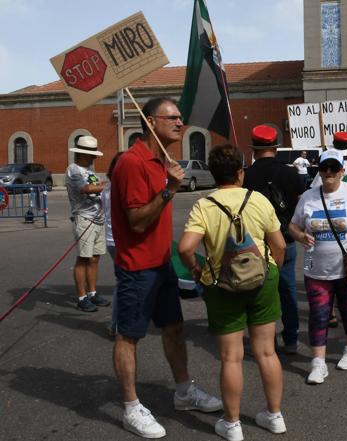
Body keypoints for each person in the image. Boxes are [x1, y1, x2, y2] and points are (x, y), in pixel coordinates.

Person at [111, 97, 221, 439]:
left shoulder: (163, 160)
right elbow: (137, 221)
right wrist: (171, 189)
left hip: (161, 266)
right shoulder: (132, 162)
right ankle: (131, 407)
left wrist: (168, 182)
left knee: (174, 328)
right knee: (128, 336)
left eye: (180, 117)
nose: (180, 123)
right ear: (150, 121)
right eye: (171, 117)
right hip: (136, 268)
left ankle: (184, 392)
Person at [179, 143, 287, 440]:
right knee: (266, 351)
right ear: (241, 172)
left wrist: (196, 270)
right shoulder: (259, 200)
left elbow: (185, 248)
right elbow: (279, 245)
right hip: (262, 280)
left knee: (231, 358)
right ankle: (275, 416)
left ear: (213, 174)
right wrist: (272, 272)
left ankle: (233, 423)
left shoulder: (205, 205)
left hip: (221, 284)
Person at [289, 149, 347, 384]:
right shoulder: (309, 197)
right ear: (319, 171)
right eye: (324, 168)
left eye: (333, 168)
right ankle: (318, 363)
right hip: (316, 269)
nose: (328, 173)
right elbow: (293, 225)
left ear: (342, 171)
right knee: (319, 315)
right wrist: (300, 236)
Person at [244, 124, 305, 354]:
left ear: (254, 148)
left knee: (256, 290)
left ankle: (261, 339)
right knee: (287, 290)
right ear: (276, 148)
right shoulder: (290, 172)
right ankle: (291, 338)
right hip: (285, 238)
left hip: (255, 242)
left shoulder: (246, 175)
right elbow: (301, 203)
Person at [65, 135, 110, 312]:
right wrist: (111, 184)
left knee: (94, 258)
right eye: (92, 154)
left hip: (98, 219)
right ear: (82, 154)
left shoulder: (90, 171)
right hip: (84, 219)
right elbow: (88, 189)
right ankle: (82, 297)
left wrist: (105, 184)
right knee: (83, 259)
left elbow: (97, 185)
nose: (95, 157)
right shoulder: (74, 170)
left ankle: (92, 293)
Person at [101, 152, 123, 337]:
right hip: (121, 241)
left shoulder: (107, 188)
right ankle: (116, 324)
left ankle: (118, 323)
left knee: (123, 280)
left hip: (110, 240)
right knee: (125, 283)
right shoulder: (121, 188)